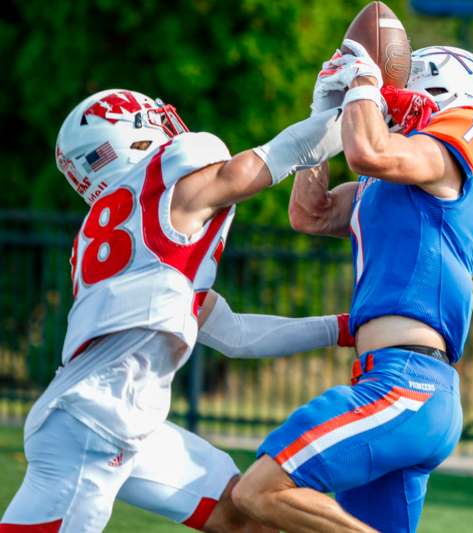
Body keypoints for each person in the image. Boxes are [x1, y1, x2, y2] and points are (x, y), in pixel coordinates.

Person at [1, 88, 349, 532]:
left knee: (242, 515)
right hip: (95, 421)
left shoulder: (145, 243)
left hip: (115, 417)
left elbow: (236, 334)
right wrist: (351, 107)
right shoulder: (171, 192)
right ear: (130, 138)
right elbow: (275, 156)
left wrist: (342, 328)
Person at [228, 41, 473, 532]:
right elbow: (310, 212)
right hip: (390, 382)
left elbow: (371, 150)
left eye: (408, 83)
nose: (397, 97)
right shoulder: (394, 181)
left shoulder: (470, 131)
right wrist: (324, 115)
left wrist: (363, 84)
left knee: (259, 491)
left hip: (408, 384)